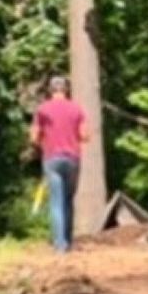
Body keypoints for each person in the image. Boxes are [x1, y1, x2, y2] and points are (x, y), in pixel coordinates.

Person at [30, 75, 90, 253]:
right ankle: (69, 241)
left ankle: (59, 245)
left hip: (52, 159)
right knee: (68, 200)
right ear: (66, 90)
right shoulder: (77, 109)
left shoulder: (43, 110)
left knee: (56, 202)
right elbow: (85, 136)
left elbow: (33, 137)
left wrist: (42, 140)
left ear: (51, 90)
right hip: (72, 159)